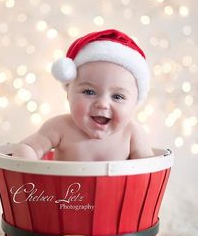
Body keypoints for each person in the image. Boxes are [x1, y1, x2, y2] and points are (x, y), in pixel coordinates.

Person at [13, 29, 154, 161]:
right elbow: (28, 147)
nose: (102, 104)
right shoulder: (59, 127)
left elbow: (149, 172)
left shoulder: (132, 134)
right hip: (65, 188)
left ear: (135, 102)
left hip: (117, 189)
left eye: (117, 96)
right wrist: (27, 166)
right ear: (68, 93)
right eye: (89, 92)